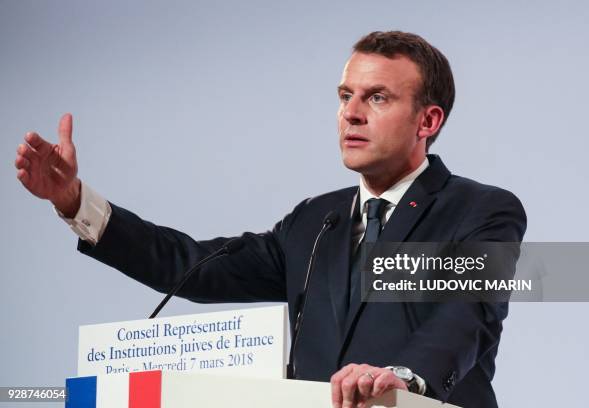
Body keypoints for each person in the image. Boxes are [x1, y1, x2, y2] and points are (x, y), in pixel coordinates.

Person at [14, 31, 526, 408]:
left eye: (377, 97)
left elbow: (471, 312)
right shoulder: (315, 221)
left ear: (428, 120)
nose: (351, 113)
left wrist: (402, 377)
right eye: (345, 96)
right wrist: (75, 201)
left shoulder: (481, 210)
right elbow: (194, 266)